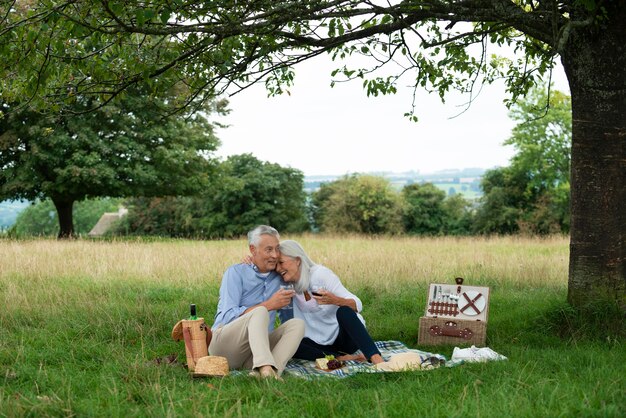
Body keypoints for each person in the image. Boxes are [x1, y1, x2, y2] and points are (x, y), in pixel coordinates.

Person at [209, 225, 305, 379]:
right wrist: (269, 305)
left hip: (254, 354)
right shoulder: (235, 273)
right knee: (260, 311)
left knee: (297, 324)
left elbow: (288, 317)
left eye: (277, 249)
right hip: (224, 348)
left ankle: (272, 373)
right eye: (268, 250)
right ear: (253, 250)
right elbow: (227, 316)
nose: (274, 255)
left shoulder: (279, 277)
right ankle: (265, 367)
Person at [276, 240, 384, 365]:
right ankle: (340, 358)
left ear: (297, 260)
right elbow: (264, 275)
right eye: (276, 265)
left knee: (344, 311)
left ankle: (376, 358)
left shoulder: (320, 274)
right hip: (320, 345)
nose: (278, 269)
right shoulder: (285, 285)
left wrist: (335, 300)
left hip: (345, 338)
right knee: (287, 342)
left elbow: (357, 304)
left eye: (281, 263)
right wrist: (251, 264)